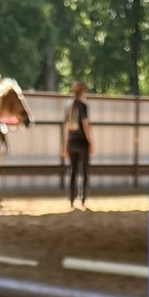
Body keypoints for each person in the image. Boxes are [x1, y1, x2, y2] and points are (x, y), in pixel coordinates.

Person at [61, 80, 93, 209]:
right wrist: (90, 142)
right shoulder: (83, 106)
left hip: (71, 142)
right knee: (84, 172)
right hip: (82, 142)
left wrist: (64, 145)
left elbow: (65, 127)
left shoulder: (68, 106)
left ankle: (71, 200)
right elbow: (85, 125)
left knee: (72, 171)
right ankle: (83, 199)